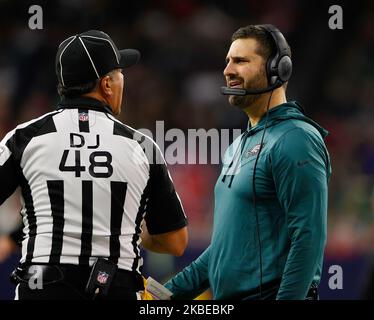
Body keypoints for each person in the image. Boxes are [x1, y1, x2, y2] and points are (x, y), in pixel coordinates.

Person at [0, 30, 188, 300]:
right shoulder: (143, 146)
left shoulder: (24, 138)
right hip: (116, 287)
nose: (124, 80)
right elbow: (175, 242)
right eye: (120, 72)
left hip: (42, 287)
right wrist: (126, 230)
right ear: (107, 84)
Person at [164, 24, 331, 300]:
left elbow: (308, 239)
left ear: (278, 69)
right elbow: (223, 250)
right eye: (228, 61)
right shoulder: (237, 146)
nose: (228, 71)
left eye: (240, 61)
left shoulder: (296, 138)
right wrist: (161, 295)